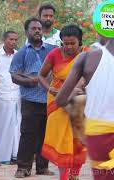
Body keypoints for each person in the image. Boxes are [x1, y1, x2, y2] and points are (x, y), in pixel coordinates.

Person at [56, 26, 114, 180]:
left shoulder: (85, 58)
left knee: (103, 176)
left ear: (98, 31)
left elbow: (61, 100)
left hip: (96, 133)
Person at [38, 25, 88, 180]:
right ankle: (64, 177)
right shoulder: (54, 54)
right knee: (62, 141)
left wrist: (76, 88)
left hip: (80, 99)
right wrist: (51, 90)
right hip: (58, 101)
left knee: (78, 140)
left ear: (80, 42)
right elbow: (41, 76)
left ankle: (75, 175)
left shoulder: (88, 54)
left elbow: (90, 75)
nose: (69, 47)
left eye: (73, 43)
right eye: (65, 43)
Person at [9, 17, 56, 178]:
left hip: (50, 100)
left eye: (39, 28)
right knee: (28, 134)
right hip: (30, 100)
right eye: (33, 28)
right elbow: (14, 76)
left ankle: (42, 167)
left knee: (46, 134)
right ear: (26, 31)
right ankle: (23, 168)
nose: (37, 31)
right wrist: (31, 81)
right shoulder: (21, 53)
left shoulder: (52, 50)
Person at [0, 31, 21, 164]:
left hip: (17, 96)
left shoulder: (19, 55)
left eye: (15, 40)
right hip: (0, 96)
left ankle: (15, 155)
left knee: (16, 127)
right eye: (10, 39)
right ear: (4, 39)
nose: (13, 42)